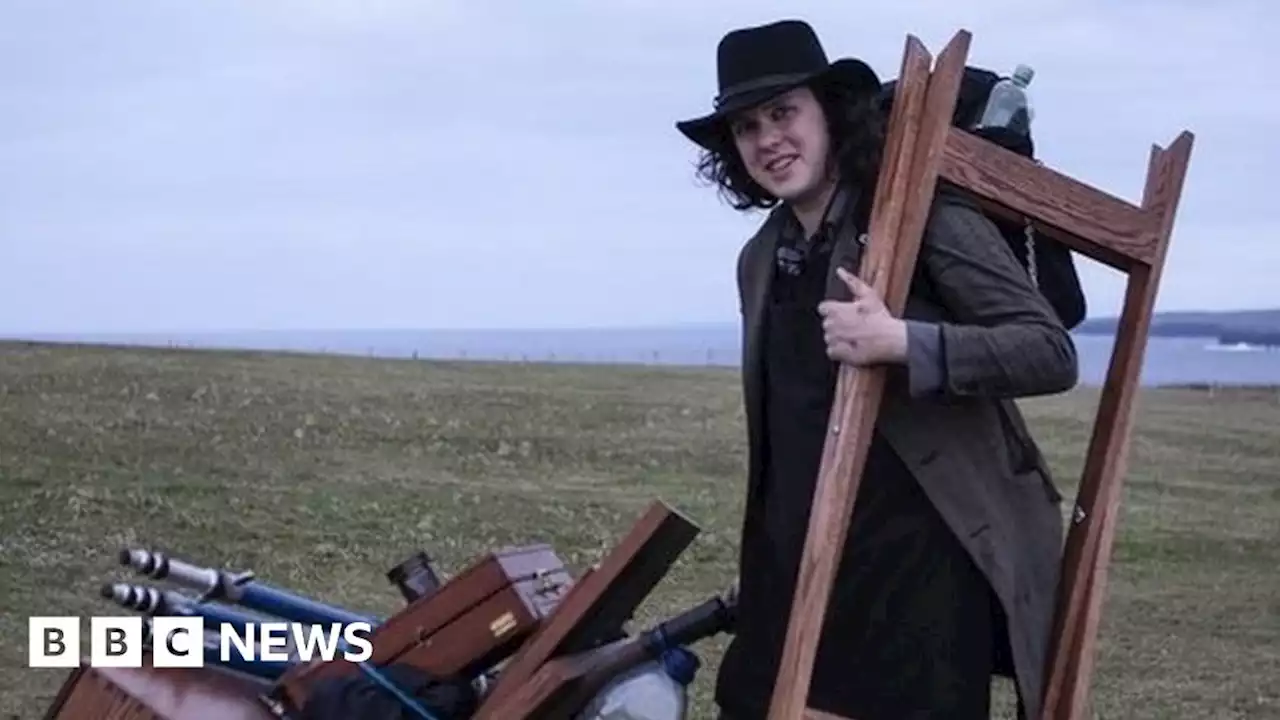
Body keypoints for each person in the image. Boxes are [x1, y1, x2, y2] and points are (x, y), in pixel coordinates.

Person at [674, 19, 1079, 720]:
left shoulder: (918, 216)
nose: (768, 138)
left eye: (783, 112)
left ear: (829, 113)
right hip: (801, 563)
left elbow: (1049, 350)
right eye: (746, 126)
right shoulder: (761, 258)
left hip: (919, 569)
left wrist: (904, 342)